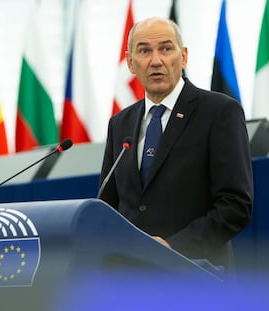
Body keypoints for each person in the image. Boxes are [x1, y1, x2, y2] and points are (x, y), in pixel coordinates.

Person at [99, 17, 253, 269]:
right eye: (145, 51)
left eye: (166, 48)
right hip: (133, 281)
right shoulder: (120, 124)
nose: (156, 60)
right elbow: (109, 207)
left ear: (183, 57)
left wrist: (173, 248)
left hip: (197, 276)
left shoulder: (219, 112)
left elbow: (235, 206)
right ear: (130, 62)